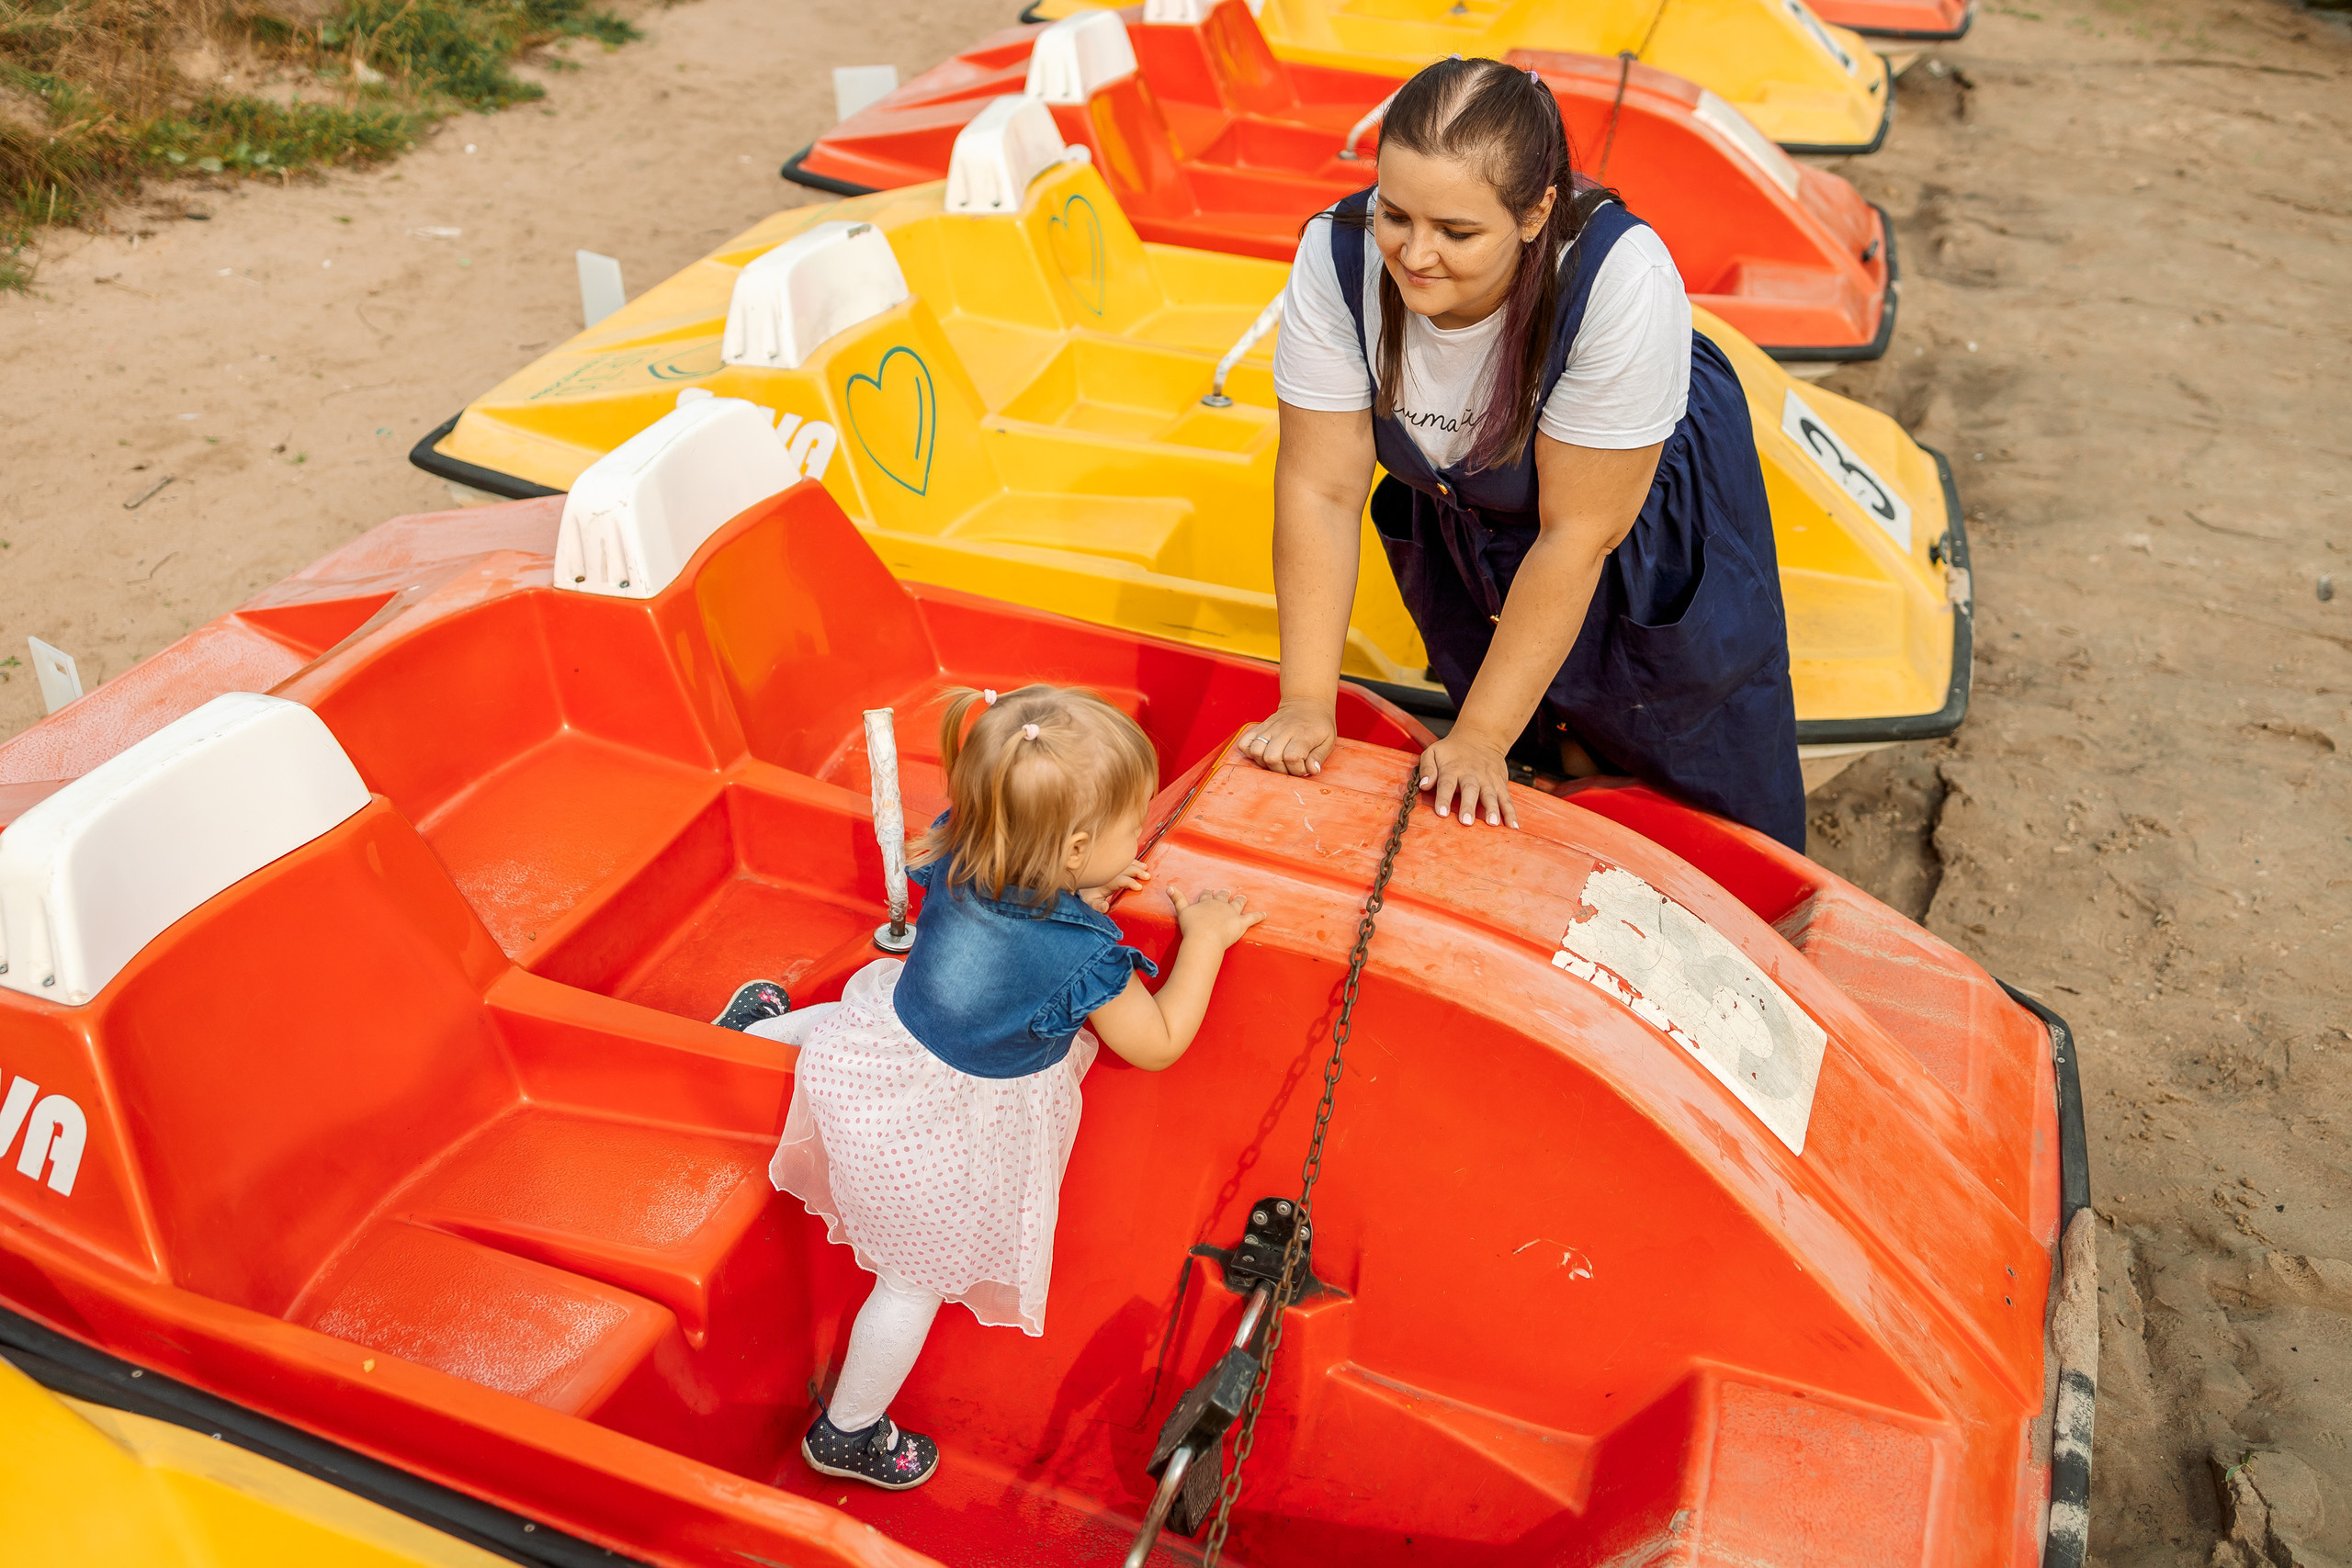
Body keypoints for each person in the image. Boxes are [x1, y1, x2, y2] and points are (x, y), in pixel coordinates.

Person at [1245, 56, 1805, 850]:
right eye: (1394, 214)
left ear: (1539, 211)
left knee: (1687, 735)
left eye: (1457, 232)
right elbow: (1320, 489)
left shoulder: (1621, 279)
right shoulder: (1337, 254)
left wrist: (1479, 738)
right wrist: (1307, 701)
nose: (1415, 254)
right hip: (1461, 498)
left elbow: (1577, 536)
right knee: (1518, 719)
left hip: (1634, 509)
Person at [715, 684, 1265, 1490]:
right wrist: (1206, 939)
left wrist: (1081, 885)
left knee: (847, 1018)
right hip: (944, 1144)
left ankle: (747, 1035)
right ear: (1073, 849)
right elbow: (1158, 1042)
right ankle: (847, 1433)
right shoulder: (1088, 959)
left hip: (884, 1061)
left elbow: (1022, 904)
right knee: (909, 1288)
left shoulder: (966, 846)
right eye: (1131, 826)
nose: (1140, 835)